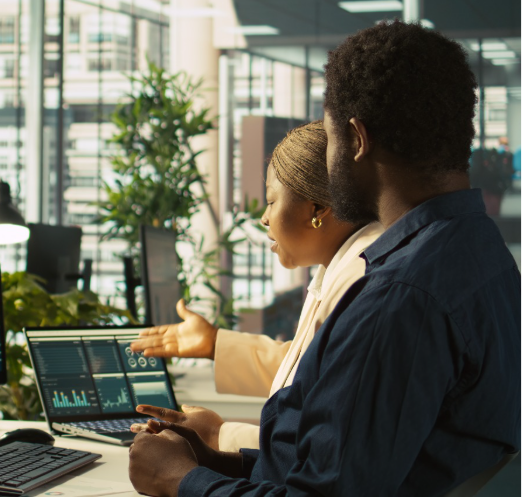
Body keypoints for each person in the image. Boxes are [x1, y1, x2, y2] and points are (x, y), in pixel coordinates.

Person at [128, 21, 522, 496]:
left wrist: (180, 479)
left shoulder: (399, 300)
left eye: (332, 137)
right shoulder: (481, 252)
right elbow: (355, 463)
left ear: (356, 139)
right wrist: (218, 464)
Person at [130, 121, 384, 451]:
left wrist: (217, 435)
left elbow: (317, 444)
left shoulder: (358, 280)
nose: (264, 218)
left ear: (318, 208)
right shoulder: (345, 265)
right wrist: (214, 344)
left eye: (271, 201)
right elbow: (311, 368)